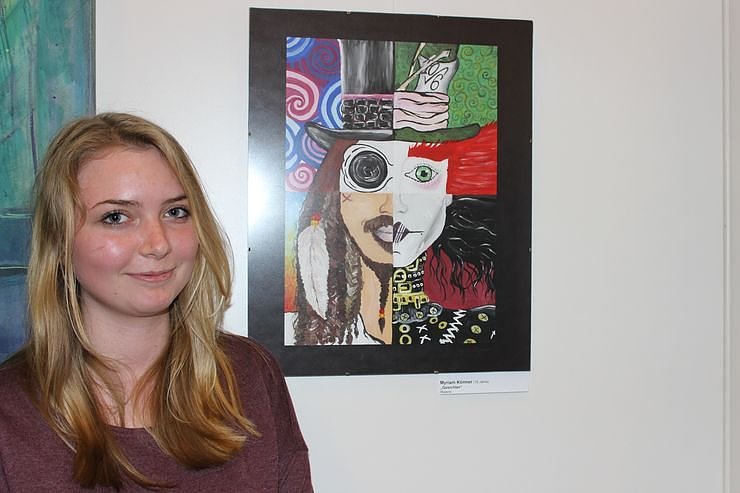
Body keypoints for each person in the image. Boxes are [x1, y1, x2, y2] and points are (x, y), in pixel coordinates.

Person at [0, 112, 313, 491]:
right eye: (116, 217)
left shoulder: (250, 377)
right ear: (59, 241)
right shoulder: (10, 414)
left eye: (175, 212)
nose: (158, 243)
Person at [290, 122, 498, 346]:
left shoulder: (485, 331)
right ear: (336, 192)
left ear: (447, 194)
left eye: (423, 173)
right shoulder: (303, 336)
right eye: (367, 171)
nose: (394, 207)